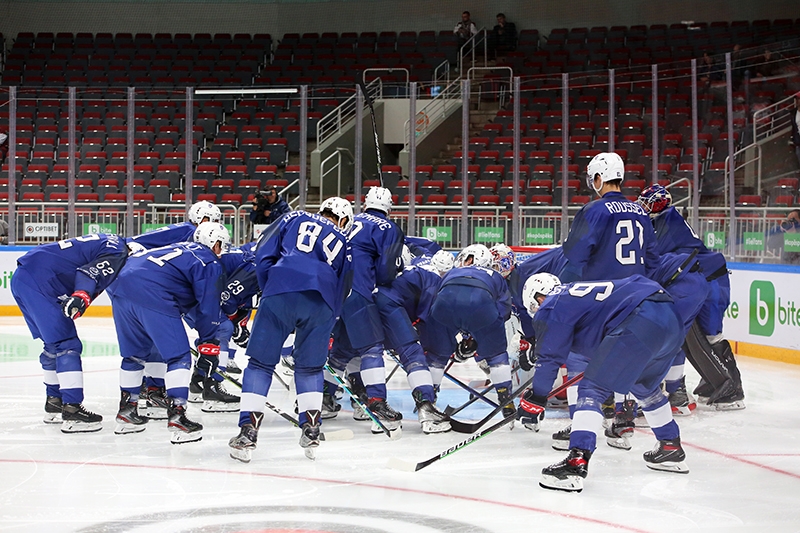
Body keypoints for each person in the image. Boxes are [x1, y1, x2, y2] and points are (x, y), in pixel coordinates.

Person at [518, 274, 686, 493]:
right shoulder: (573, 294)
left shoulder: (550, 306)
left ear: (536, 299)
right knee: (644, 386)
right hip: (670, 318)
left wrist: (537, 397)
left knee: (592, 389)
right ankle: (670, 446)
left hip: (640, 318)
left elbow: (550, 358)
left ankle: (576, 462)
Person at [229, 197, 353, 462]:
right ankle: (311, 428)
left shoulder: (292, 217)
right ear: (342, 219)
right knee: (310, 368)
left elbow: (263, 252)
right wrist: (330, 315)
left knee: (260, 365)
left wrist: (269, 287)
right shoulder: (344, 241)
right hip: (323, 302)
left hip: (281, 289)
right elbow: (345, 286)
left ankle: (248, 430)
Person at [109, 222, 229, 443]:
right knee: (178, 357)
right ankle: (178, 416)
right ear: (216, 243)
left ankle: (127, 413)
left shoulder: (177, 248)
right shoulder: (207, 259)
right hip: (152, 293)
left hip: (119, 288)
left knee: (133, 356)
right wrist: (208, 341)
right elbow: (208, 305)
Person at [637, 184, 744, 409]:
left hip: (711, 280)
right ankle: (712, 383)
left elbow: (652, 256)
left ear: (659, 204)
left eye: (648, 202)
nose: (643, 206)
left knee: (711, 335)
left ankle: (732, 391)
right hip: (702, 278)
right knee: (692, 336)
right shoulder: (662, 220)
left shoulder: (668, 220)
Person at [11, 233, 129, 432]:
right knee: (67, 344)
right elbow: (89, 272)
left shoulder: (106, 240)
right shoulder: (119, 251)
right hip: (42, 281)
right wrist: (81, 294)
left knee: (52, 344)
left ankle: (54, 402)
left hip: (24, 277)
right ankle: (72, 410)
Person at [327, 187, 405, 434]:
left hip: (329, 291)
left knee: (341, 351)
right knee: (372, 348)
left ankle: (323, 398)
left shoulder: (351, 219)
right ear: (389, 206)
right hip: (357, 290)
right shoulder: (388, 228)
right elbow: (385, 270)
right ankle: (376, 403)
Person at [429, 244, 516, 418]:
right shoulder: (496, 276)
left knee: (437, 356)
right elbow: (504, 312)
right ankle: (506, 400)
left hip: (443, 306)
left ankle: (428, 399)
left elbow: (437, 298)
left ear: (470, 258)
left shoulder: (451, 272)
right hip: (481, 305)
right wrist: (481, 333)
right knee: (496, 355)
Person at [374, 250, 454, 433]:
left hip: (368, 298)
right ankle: (427, 409)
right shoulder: (435, 278)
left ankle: (372, 411)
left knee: (367, 352)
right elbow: (428, 320)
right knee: (413, 352)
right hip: (390, 304)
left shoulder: (417, 265)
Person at [560, 152, 660, 283]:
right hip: (634, 290)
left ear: (599, 178)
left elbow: (576, 255)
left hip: (601, 292)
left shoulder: (593, 210)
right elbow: (652, 259)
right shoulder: (640, 212)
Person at [790, 93, 800, 170]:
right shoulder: (793, 112)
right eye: (796, 99)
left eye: (799, 99)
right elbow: (794, 127)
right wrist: (793, 138)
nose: (797, 101)